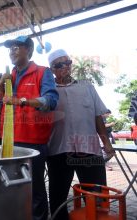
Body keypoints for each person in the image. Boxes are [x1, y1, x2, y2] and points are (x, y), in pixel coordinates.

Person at [46, 49, 115, 220]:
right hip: (58, 151)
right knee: (58, 198)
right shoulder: (48, 92)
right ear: (52, 69)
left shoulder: (87, 86)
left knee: (97, 197)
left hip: (89, 150)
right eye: (59, 64)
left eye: (67, 62)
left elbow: (97, 116)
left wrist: (106, 143)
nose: (65, 67)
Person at [0, 35, 59, 220]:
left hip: (33, 143)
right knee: (10, 185)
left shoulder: (42, 72)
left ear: (30, 51)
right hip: (9, 141)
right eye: (10, 48)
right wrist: (1, 86)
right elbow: (0, 107)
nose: (12, 51)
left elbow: (51, 101)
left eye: (17, 47)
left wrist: (22, 101)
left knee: (34, 188)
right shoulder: (9, 76)